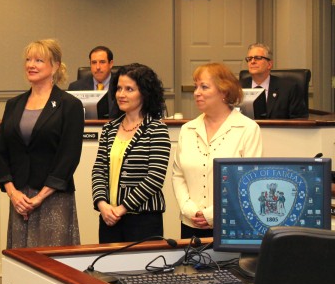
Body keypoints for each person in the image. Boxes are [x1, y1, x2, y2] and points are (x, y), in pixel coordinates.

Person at [0, 39, 84, 248]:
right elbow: (2, 153)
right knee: (21, 264)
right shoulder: (13, 104)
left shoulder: (69, 105)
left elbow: (68, 157)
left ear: (54, 66)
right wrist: (13, 193)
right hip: (19, 199)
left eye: (38, 60)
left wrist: (40, 197)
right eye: (28, 60)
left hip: (53, 198)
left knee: (54, 266)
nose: (31, 65)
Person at [173, 62, 263, 239]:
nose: (197, 93)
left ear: (224, 91)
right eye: (196, 86)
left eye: (204, 87)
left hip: (231, 223)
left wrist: (213, 214)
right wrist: (189, 209)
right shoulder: (187, 129)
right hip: (190, 223)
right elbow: (178, 175)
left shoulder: (248, 129)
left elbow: (250, 181)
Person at [91, 63, 171, 243]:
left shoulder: (156, 129)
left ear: (144, 93)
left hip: (143, 220)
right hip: (108, 219)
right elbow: (98, 170)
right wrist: (102, 204)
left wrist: (122, 208)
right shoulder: (109, 128)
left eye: (129, 89)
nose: (121, 94)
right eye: (118, 88)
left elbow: (155, 178)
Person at [240, 43, 308, 119]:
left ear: (269, 64)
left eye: (258, 58)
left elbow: (299, 120)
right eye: (249, 59)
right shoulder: (236, 87)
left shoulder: (288, 88)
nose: (252, 61)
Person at [68, 45, 120, 119]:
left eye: (102, 62)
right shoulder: (76, 87)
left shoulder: (120, 85)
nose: (98, 67)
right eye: (94, 62)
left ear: (111, 64)